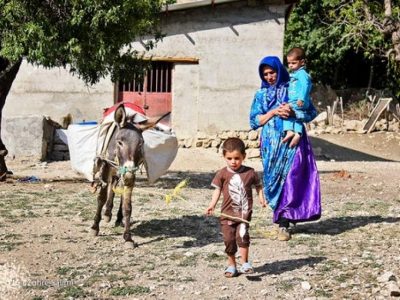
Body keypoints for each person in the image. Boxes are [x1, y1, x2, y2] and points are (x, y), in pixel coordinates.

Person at [249, 56, 321, 241]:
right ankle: (283, 216)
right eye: (265, 74)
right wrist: (273, 112)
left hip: (293, 143)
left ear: (279, 70)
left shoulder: (293, 87)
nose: (269, 77)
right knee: (273, 180)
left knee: (291, 179)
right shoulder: (260, 95)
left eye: (272, 72)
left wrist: (293, 111)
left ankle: (284, 222)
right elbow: (254, 120)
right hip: (271, 145)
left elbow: (311, 112)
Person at [205, 137, 266, 277]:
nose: (233, 162)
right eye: (230, 158)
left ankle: (245, 263)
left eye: (237, 158)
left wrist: (262, 199)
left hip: (244, 214)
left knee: (243, 237)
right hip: (227, 214)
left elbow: (258, 186)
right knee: (229, 240)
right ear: (224, 157)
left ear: (244, 156)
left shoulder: (250, 172)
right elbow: (217, 190)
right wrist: (211, 205)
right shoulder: (222, 173)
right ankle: (232, 265)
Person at [282, 47, 313, 148]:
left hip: (298, 101)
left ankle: (289, 131)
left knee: (286, 111)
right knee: (297, 118)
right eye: (289, 63)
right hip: (297, 100)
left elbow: (306, 85)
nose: (290, 65)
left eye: (293, 63)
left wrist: (302, 98)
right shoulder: (296, 74)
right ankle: (298, 133)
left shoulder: (302, 74)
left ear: (302, 62)